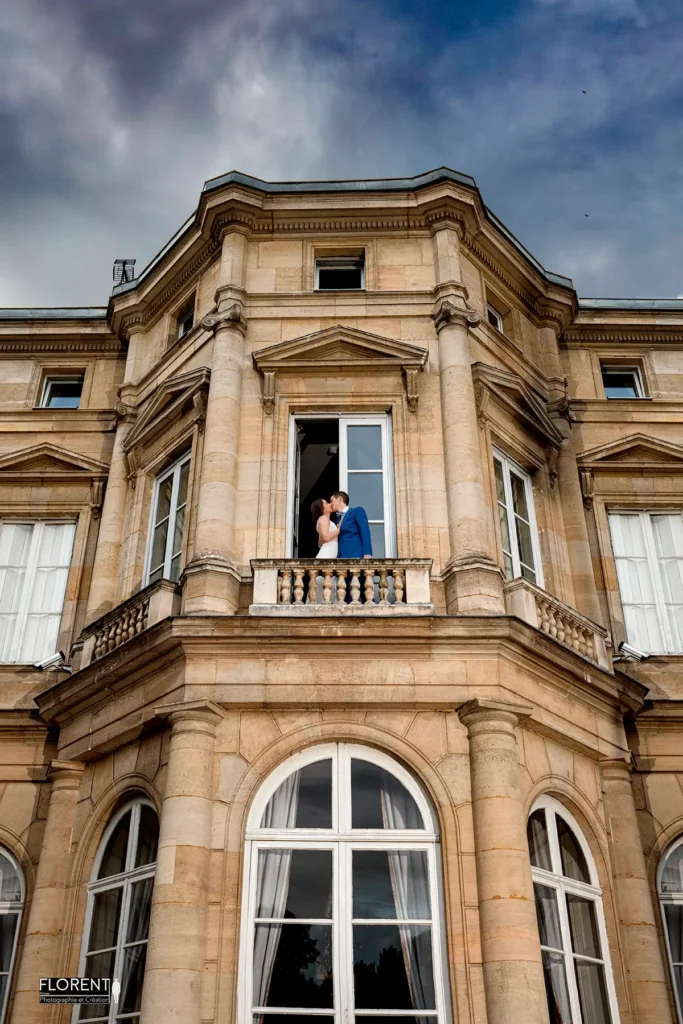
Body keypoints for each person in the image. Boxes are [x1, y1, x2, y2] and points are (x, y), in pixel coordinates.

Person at [330, 490, 372, 558]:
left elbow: (365, 533)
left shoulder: (356, 511)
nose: (330, 504)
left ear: (340, 499)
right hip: (340, 558)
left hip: (355, 556)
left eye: (332, 501)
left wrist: (367, 553)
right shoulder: (335, 520)